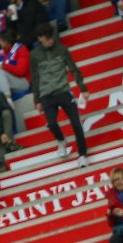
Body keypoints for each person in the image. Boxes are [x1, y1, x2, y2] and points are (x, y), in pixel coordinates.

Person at [29, 25, 90, 164]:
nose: (50, 41)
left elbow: (74, 69)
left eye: (52, 38)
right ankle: (61, 140)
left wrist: (83, 88)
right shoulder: (34, 55)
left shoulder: (61, 49)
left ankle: (82, 155)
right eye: (47, 39)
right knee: (51, 123)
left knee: (76, 122)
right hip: (46, 94)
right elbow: (35, 77)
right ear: (39, 39)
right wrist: (36, 100)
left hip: (63, 91)